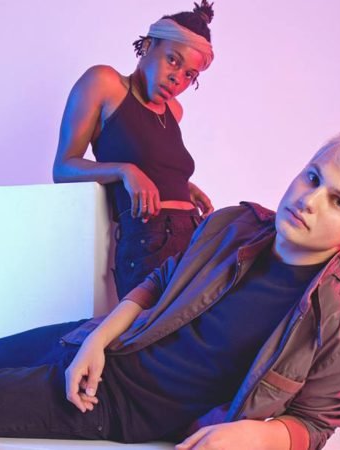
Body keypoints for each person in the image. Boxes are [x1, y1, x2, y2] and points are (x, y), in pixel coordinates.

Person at [0, 132, 340, 450]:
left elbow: (316, 424)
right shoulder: (234, 225)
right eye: (313, 177)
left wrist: (255, 435)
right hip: (107, 345)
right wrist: (97, 339)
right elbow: (159, 282)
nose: (309, 200)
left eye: (338, 201)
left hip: (118, 408)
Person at [52, 1, 217, 299]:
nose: (177, 78)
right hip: (149, 243)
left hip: (194, 237)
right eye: (173, 60)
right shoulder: (104, 83)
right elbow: (63, 168)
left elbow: (152, 163)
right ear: (148, 45)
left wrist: (184, 186)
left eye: (190, 75)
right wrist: (125, 171)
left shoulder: (174, 111)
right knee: (153, 329)